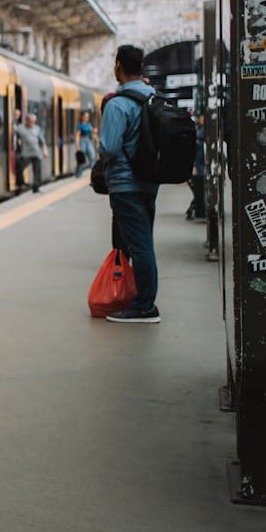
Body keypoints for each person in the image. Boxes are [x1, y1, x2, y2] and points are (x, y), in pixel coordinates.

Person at [98, 44, 161, 323]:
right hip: (149, 182)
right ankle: (137, 298)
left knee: (140, 245)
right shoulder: (153, 98)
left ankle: (144, 305)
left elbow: (110, 147)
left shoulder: (117, 104)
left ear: (118, 66)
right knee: (143, 241)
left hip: (125, 184)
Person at [15, 112, 47, 193]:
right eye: (30, 121)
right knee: (19, 168)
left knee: (37, 171)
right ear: (26, 121)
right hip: (26, 154)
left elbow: (42, 140)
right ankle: (21, 184)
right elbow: (13, 129)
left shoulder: (37, 128)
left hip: (36, 153)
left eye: (33, 121)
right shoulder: (21, 128)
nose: (32, 123)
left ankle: (36, 188)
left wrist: (45, 150)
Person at [186, 114, 206, 221]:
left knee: (199, 188)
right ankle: (196, 207)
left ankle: (196, 207)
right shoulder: (201, 131)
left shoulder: (203, 132)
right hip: (200, 161)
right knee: (200, 188)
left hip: (201, 160)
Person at [75, 110, 95, 175]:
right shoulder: (80, 125)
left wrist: (97, 139)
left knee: (92, 156)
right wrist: (78, 146)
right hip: (82, 141)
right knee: (81, 159)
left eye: (88, 117)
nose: (87, 118)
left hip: (88, 141)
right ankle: (78, 174)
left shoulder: (89, 125)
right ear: (82, 117)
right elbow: (77, 136)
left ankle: (94, 173)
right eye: (86, 117)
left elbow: (92, 133)